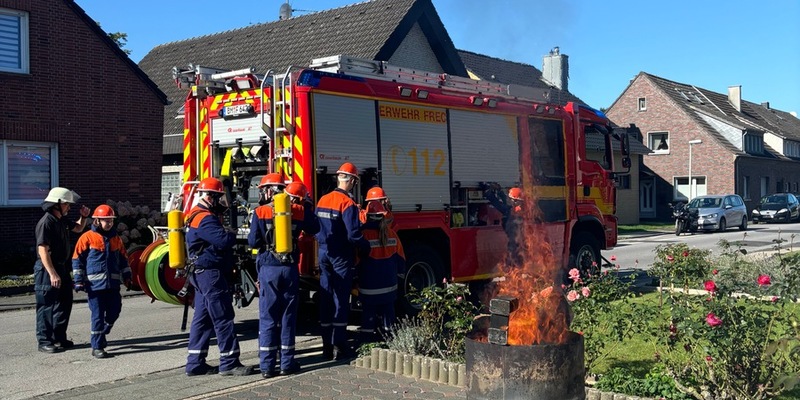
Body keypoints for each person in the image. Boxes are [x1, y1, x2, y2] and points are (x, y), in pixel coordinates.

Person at [249, 181, 319, 378]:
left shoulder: (260, 211)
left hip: (268, 269)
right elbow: (315, 228)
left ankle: (267, 367)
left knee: (268, 317)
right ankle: (287, 363)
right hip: (288, 269)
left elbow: (253, 241)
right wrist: (305, 206)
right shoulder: (299, 211)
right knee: (288, 317)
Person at [184, 177, 253, 377]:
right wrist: (232, 232)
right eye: (218, 198)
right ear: (210, 197)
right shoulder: (205, 218)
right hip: (210, 273)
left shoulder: (194, 215)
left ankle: (195, 363)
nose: (220, 202)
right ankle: (229, 363)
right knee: (223, 316)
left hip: (200, 273)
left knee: (203, 319)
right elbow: (223, 241)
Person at [315, 162, 370, 360]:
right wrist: (366, 247)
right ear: (353, 181)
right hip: (341, 256)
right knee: (340, 300)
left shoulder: (323, 199)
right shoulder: (347, 203)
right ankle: (340, 346)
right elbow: (353, 235)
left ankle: (326, 347)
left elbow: (315, 227)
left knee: (326, 298)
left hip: (324, 253)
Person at [34, 187, 90, 353]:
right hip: (47, 270)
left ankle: (59, 338)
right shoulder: (46, 222)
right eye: (66, 204)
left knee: (64, 302)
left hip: (62, 268)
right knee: (46, 305)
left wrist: (84, 217)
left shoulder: (62, 220)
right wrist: (52, 273)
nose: (69, 207)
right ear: (56, 204)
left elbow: (79, 228)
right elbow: (42, 250)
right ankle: (44, 341)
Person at [71, 204, 131, 359]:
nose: (109, 223)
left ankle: (106, 328)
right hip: (95, 287)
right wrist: (78, 281)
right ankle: (97, 347)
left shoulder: (116, 239)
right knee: (97, 316)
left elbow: (124, 259)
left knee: (115, 311)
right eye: (105, 220)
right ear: (97, 220)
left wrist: (128, 277)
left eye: (111, 220)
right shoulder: (87, 237)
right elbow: (77, 260)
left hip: (112, 286)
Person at [357, 201, 405, 344]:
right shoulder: (392, 234)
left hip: (368, 287)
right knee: (388, 315)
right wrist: (399, 278)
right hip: (389, 287)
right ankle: (389, 341)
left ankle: (366, 343)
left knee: (368, 316)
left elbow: (356, 260)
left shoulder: (363, 236)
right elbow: (401, 259)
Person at [484, 184, 525, 265]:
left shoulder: (514, 211)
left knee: (502, 206)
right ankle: (493, 192)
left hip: (511, 223)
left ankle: (490, 193)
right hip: (511, 222)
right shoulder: (515, 209)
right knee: (504, 206)